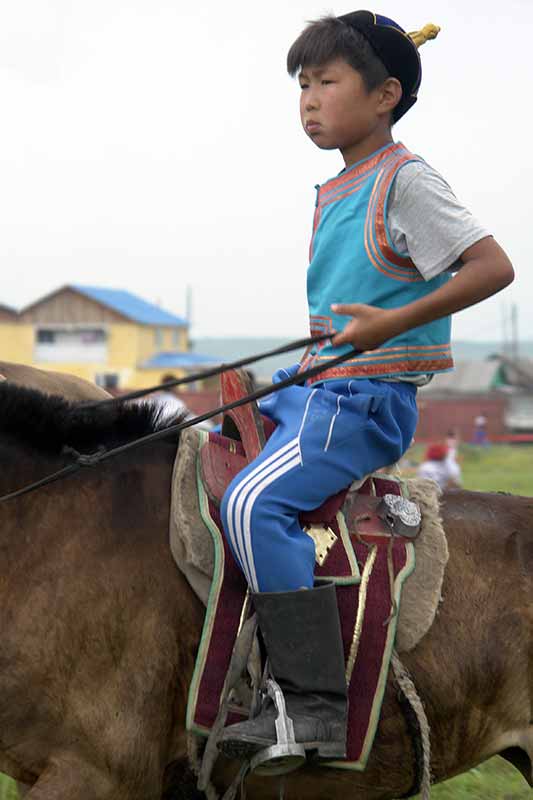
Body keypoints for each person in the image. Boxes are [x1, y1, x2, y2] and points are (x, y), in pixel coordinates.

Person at [218, 11, 514, 764]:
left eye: (326, 82)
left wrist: (390, 323)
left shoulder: (403, 179)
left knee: (253, 502)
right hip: (315, 385)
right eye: (301, 85)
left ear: (384, 94)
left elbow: (492, 267)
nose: (308, 100)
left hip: (360, 402)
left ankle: (311, 703)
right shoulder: (340, 184)